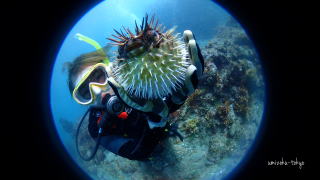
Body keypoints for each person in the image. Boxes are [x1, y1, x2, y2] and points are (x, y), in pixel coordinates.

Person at [66, 29, 204, 161]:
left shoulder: (139, 78)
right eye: (85, 92)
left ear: (110, 67)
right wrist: (156, 122)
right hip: (151, 153)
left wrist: (177, 97)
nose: (97, 91)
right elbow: (136, 153)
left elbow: (167, 99)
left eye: (98, 75)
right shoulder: (96, 128)